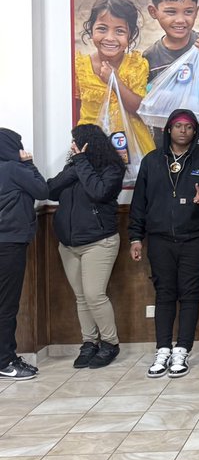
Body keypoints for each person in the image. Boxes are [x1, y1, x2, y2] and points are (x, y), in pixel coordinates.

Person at [129, 109, 199, 377]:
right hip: (160, 240)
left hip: (195, 238)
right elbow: (139, 202)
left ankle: (182, 350)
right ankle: (162, 349)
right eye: (178, 126)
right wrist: (135, 237)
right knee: (164, 294)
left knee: (190, 295)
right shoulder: (152, 161)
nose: (183, 131)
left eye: (188, 127)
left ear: (195, 131)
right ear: (169, 130)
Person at [47, 125, 125, 369]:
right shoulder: (75, 167)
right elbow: (50, 190)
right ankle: (89, 342)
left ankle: (110, 343)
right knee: (81, 297)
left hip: (99, 243)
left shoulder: (112, 168)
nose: (72, 146)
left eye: (76, 142)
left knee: (94, 295)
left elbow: (99, 192)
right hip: (69, 244)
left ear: (89, 144)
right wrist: (76, 166)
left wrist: (81, 162)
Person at [74, 0, 155, 160]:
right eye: (102, 29)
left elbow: (139, 109)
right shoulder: (80, 67)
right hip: (92, 148)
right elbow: (75, 108)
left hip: (134, 149)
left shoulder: (136, 65)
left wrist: (115, 81)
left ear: (130, 35)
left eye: (119, 31)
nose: (110, 38)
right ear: (91, 30)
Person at [143, 0, 199, 146]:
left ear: (196, 11)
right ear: (153, 11)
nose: (180, 20)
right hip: (166, 141)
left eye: (188, 12)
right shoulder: (150, 56)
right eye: (171, 12)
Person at [0, 129, 48, 380]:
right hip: (9, 244)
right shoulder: (12, 169)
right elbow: (42, 190)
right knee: (6, 306)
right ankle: (5, 362)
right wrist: (29, 163)